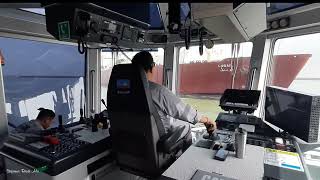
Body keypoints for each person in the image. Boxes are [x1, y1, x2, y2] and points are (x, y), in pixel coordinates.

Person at [131, 51, 216, 150]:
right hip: (156, 142)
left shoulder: (125, 90)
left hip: (132, 140)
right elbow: (184, 111)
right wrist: (206, 120)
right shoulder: (157, 91)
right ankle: (181, 162)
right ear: (152, 66)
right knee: (186, 126)